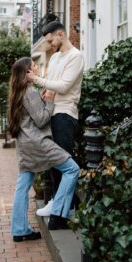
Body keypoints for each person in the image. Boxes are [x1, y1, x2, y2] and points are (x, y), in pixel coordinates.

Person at [7, 58, 79, 241]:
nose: (38, 68)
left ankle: (19, 230)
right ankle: (58, 212)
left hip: (24, 145)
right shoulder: (29, 91)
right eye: (34, 66)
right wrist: (50, 101)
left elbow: (29, 115)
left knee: (23, 184)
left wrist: (42, 97)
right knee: (72, 169)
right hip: (38, 143)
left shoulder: (17, 92)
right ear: (27, 72)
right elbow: (40, 119)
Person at [33, 19, 84, 214]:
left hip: (65, 114)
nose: (49, 45)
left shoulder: (76, 56)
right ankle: (57, 201)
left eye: (51, 40)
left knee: (63, 162)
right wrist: (43, 88)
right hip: (51, 113)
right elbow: (51, 85)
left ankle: (66, 207)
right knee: (52, 162)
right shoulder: (54, 58)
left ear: (60, 35)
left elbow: (63, 86)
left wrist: (37, 80)